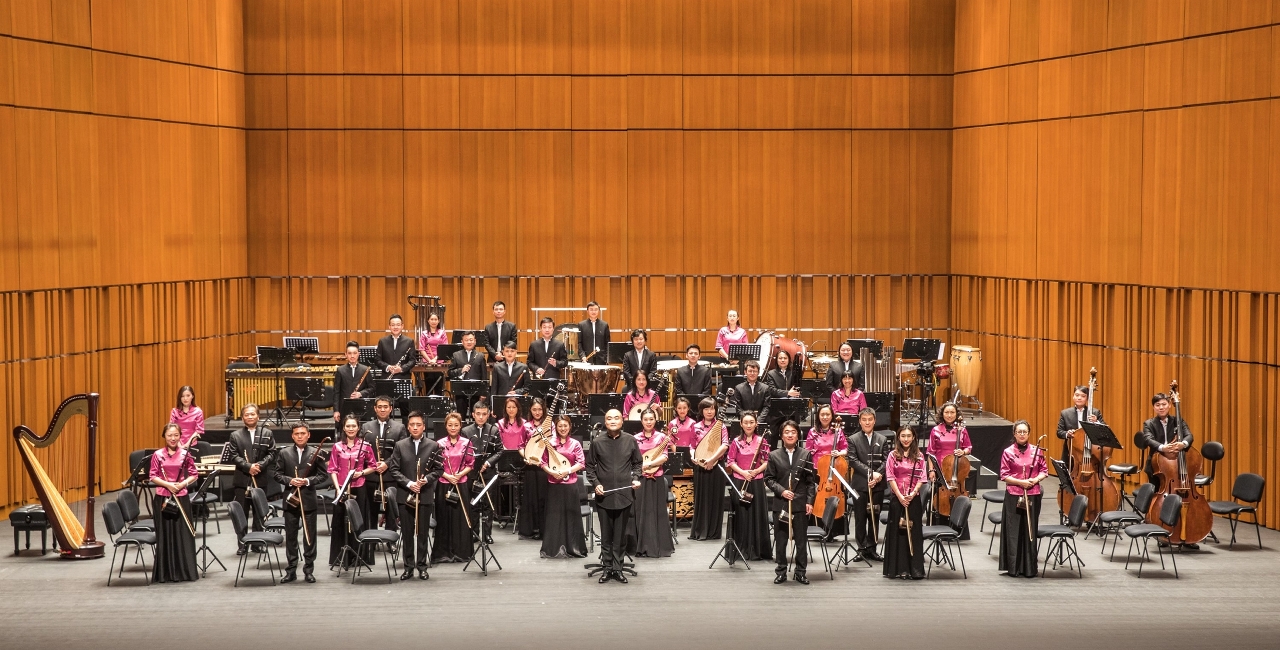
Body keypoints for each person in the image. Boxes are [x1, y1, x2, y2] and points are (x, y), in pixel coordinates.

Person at [585, 409, 642, 583]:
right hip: (604, 496)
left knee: (620, 537)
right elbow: (589, 467)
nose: (613, 421)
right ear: (605, 422)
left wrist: (635, 478)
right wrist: (596, 484)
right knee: (606, 536)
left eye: (616, 418)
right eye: (609, 418)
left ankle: (618, 569)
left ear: (622, 421)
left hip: (624, 495)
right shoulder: (597, 442)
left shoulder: (631, 440)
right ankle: (607, 568)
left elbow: (638, 463)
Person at [271, 422, 329, 584]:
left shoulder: (316, 453)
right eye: (297, 434)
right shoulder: (284, 453)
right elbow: (277, 474)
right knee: (291, 537)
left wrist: (307, 481)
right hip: (291, 500)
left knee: (310, 537)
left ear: (308, 435)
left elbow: (323, 476)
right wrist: (290, 480)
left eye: (303, 433)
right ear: (292, 436)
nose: (300, 436)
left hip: (308, 500)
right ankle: (291, 570)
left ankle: (309, 570)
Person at [388, 412, 442, 580]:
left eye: (418, 424)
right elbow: (394, 469)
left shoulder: (433, 445)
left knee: (423, 533)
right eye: (412, 425)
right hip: (405, 495)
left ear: (424, 426)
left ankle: (422, 566)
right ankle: (408, 567)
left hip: (424, 494)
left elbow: (439, 469)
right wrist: (409, 483)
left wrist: (426, 480)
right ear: (408, 427)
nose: (415, 427)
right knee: (407, 532)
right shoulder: (400, 445)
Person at [1141, 392, 1197, 549]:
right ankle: (1161, 533)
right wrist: (1162, 447)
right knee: (1161, 500)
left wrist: (1183, 444)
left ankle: (1188, 533)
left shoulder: (1178, 421)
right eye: (1157, 405)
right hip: (1158, 466)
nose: (1161, 407)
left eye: (1164, 404)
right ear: (1154, 407)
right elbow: (1148, 439)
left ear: (1170, 405)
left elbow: (1189, 435)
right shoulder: (1149, 423)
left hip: (1178, 466)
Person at [764, 420, 815, 584]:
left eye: (793, 432)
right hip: (781, 504)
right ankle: (781, 571)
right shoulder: (774, 455)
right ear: (781, 435)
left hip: (800, 504)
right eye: (787, 432)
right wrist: (782, 491)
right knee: (781, 541)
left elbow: (810, 482)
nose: (790, 435)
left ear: (798, 435)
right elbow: (769, 479)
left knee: (801, 541)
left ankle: (801, 572)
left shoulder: (806, 454)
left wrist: (810, 501)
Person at [149, 424, 199, 583]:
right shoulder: (157, 455)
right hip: (163, 498)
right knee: (165, 534)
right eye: (170, 435)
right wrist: (168, 485)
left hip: (181, 497)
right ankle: (165, 573)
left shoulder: (186, 454)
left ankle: (184, 572)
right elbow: (152, 475)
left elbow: (194, 474)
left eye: (176, 435)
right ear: (164, 436)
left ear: (180, 436)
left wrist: (182, 484)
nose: (173, 438)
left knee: (183, 534)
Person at [328, 415, 377, 570]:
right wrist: (338, 489)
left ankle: (359, 556)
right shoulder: (337, 446)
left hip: (359, 487)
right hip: (341, 488)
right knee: (340, 522)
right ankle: (341, 556)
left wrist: (361, 473)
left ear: (358, 428)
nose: (351, 429)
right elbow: (333, 469)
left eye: (353, 426)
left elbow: (373, 466)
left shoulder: (365, 445)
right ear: (343, 428)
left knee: (358, 522)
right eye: (348, 426)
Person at [999, 419, 1047, 578]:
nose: (1022, 434)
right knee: (1014, 530)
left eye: (1024, 432)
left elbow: (1044, 471)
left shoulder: (1037, 451)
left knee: (1029, 530)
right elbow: (1004, 475)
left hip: (1032, 494)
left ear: (1028, 434)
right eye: (1019, 432)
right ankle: (1013, 567)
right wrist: (1021, 482)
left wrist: (1035, 480)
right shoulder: (1008, 452)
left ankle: (1029, 568)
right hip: (1014, 494)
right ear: (1014, 434)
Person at [224, 403, 274, 554]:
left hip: (260, 478)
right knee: (241, 513)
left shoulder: (267, 433)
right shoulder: (235, 435)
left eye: (253, 414)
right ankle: (242, 544)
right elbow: (233, 456)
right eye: (247, 414)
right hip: (242, 480)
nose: (250, 417)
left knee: (259, 513)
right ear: (242, 418)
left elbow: (272, 453)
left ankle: (257, 543)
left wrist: (259, 465)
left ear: (258, 416)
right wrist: (248, 467)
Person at [725, 411, 772, 562]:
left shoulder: (762, 440)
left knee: (757, 515)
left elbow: (767, 460)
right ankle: (740, 549)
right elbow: (730, 461)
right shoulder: (736, 441)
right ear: (741, 424)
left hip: (756, 481)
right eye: (745, 422)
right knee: (741, 515)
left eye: (751, 422)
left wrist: (756, 471)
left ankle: (757, 550)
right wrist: (743, 473)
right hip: (740, 481)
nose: (749, 425)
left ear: (756, 423)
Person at [627, 408, 674, 558]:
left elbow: (664, 456)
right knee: (640, 511)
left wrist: (648, 464)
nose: (648, 422)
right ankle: (640, 545)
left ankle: (658, 546)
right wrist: (640, 468)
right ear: (641, 421)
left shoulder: (661, 437)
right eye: (646, 419)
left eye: (651, 419)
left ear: (655, 420)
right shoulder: (635, 438)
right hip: (640, 479)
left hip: (656, 478)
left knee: (656, 511)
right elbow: (633, 458)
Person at [541, 415, 587, 559]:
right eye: (560, 426)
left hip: (570, 485)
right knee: (554, 516)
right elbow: (543, 462)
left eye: (565, 425)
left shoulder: (575, 443)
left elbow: (581, 463)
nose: (563, 428)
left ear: (569, 426)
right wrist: (552, 472)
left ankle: (574, 548)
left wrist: (567, 471)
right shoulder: (549, 443)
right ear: (556, 427)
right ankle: (552, 548)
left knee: (571, 516)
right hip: (554, 484)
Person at [431, 413, 476, 563]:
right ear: (446, 426)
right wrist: (448, 476)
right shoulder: (439, 444)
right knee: (444, 518)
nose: (453, 428)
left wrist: (459, 475)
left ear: (460, 426)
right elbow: (436, 466)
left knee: (460, 519)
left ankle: (461, 552)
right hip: (444, 484)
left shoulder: (467, 443)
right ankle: (443, 553)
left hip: (461, 483)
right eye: (450, 425)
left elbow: (470, 464)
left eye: (456, 425)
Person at [883, 426, 926, 580]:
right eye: (903, 436)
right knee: (898, 534)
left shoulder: (919, 456)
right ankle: (898, 569)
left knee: (913, 533)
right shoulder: (892, 455)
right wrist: (900, 496)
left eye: (908, 436)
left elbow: (922, 478)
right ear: (898, 438)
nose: (906, 439)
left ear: (913, 437)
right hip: (897, 498)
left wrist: (912, 494)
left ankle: (914, 570)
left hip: (913, 499)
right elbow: (890, 477)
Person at [848, 408, 888, 562]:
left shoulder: (882, 439)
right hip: (860, 485)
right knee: (860, 518)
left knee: (874, 517)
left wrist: (878, 475)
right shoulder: (853, 439)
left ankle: (872, 548)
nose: (867, 422)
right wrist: (871, 473)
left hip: (877, 485)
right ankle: (861, 549)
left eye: (870, 419)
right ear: (860, 421)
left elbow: (886, 460)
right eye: (864, 420)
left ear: (874, 420)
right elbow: (853, 460)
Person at [361, 396, 405, 531]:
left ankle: (390, 538)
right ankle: (371, 538)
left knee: (391, 510)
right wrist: (373, 464)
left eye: (385, 407)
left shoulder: (399, 427)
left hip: (390, 475)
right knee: (370, 511)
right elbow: (362, 450)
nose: (382, 410)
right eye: (379, 407)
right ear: (375, 409)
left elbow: (401, 451)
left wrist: (386, 463)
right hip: (371, 475)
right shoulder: (366, 426)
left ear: (391, 409)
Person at [805, 404, 849, 538]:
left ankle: (834, 531)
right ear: (818, 416)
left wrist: (839, 453)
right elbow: (807, 451)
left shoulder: (838, 431)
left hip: (835, 468)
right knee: (818, 498)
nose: (825, 417)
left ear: (832, 416)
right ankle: (818, 528)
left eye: (828, 414)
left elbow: (845, 449)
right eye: (822, 414)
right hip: (818, 469)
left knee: (835, 497)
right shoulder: (813, 432)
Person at [688, 397, 728, 540]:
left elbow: (724, 445)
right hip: (700, 466)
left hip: (717, 467)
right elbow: (692, 445)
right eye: (706, 409)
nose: (709, 412)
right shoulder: (695, 426)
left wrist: (712, 460)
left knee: (715, 498)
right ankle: (700, 530)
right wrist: (693, 456)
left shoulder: (721, 426)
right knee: (701, 498)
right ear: (701, 411)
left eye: (712, 409)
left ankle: (713, 532)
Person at [464, 399, 502, 544]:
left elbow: (500, 451)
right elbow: (463, 451)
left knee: (488, 504)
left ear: (488, 415)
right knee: (473, 503)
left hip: (488, 472)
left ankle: (487, 534)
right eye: (478, 414)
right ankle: (474, 533)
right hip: (472, 472)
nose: (481, 417)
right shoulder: (466, 431)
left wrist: (488, 462)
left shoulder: (494, 430)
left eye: (484, 414)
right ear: (473, 414)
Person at [519, 398, 550, 540]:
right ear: (530, 410)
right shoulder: (525, 426)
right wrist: (526, 457)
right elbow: (520, 446)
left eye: (539, 409)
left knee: (544, 497)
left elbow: (553, 443)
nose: (537, 412)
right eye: (534, 410)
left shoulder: (549, 425)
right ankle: (532, 529)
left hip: (545, 466)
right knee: (531, 498)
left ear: (543, 410)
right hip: (531, 467)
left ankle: (545, 529)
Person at [734, 360, 798, 420]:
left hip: (761, 421)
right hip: (745, 421)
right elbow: (739, 409)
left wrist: (759, 420)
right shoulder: (739, 388)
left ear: (758, 372)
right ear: (745, 372)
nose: (752, 373)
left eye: (755, 371)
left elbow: (766, 407)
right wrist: (748, 419)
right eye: (750, 371)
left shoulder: (765, 388)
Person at [927, 402, 972, 482]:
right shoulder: (935, 430)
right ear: (942, 414)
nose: (949, 415)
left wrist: (963, 452)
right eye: (946, 412)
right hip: (940, 468)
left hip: (958, 467)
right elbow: (931, 452)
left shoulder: (962, 430)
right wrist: (931, 470)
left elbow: (968, 447)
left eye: (952, 412)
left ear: (956, 414)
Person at [334, 340, 374, 422]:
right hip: (344, 407)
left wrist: (360, 393)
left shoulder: (365, 370)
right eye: (349, 353)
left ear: (358, 354)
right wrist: (336, 410)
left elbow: (372, 388)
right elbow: (336, 392)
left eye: (355, 353)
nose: (352, 356)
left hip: (361, 407)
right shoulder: (340, 370)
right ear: (346, 354)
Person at [448, 331, 488, 413]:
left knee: (475, 415)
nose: (469, 342)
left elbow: (484, 375)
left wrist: (483, 393)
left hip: (476, 392)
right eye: (466, 340)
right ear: (462, 342)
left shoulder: (480, 356)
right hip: (460, 391)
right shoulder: (456, 355)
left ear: (475, 341)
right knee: (461, 415)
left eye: (471, 340)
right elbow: (450, 373)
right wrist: (460, 370)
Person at [375, 313, 417, 381]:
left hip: (403, 377)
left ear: (402, 326)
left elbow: (412, 360)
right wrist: (388, 367)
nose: (395, 327)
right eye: (393, 325)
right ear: (389, 327)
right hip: (386, 377)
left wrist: (401, 368)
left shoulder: (409, 341)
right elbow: (377, 359)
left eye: (398, 325)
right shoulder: (382, 341)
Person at [168, 385, 204, 449]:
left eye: (188, 395)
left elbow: (198, 431)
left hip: (192, 445)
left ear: (192, 396)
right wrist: (179, 444)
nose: (185, 398)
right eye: (182, 396)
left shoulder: (198, 412)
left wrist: (187, 445)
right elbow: (171, 429)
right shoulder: (174, 411)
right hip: (176, 444)